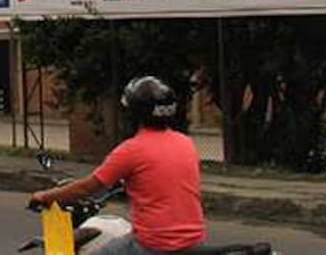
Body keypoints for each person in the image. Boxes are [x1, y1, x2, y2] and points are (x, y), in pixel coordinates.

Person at [29, 76, 206, 254]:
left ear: (134, 114)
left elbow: (86, 188)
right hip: (193, 241)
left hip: (154, 244)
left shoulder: (131, 150)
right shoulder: (185, 143)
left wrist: (45, 196)